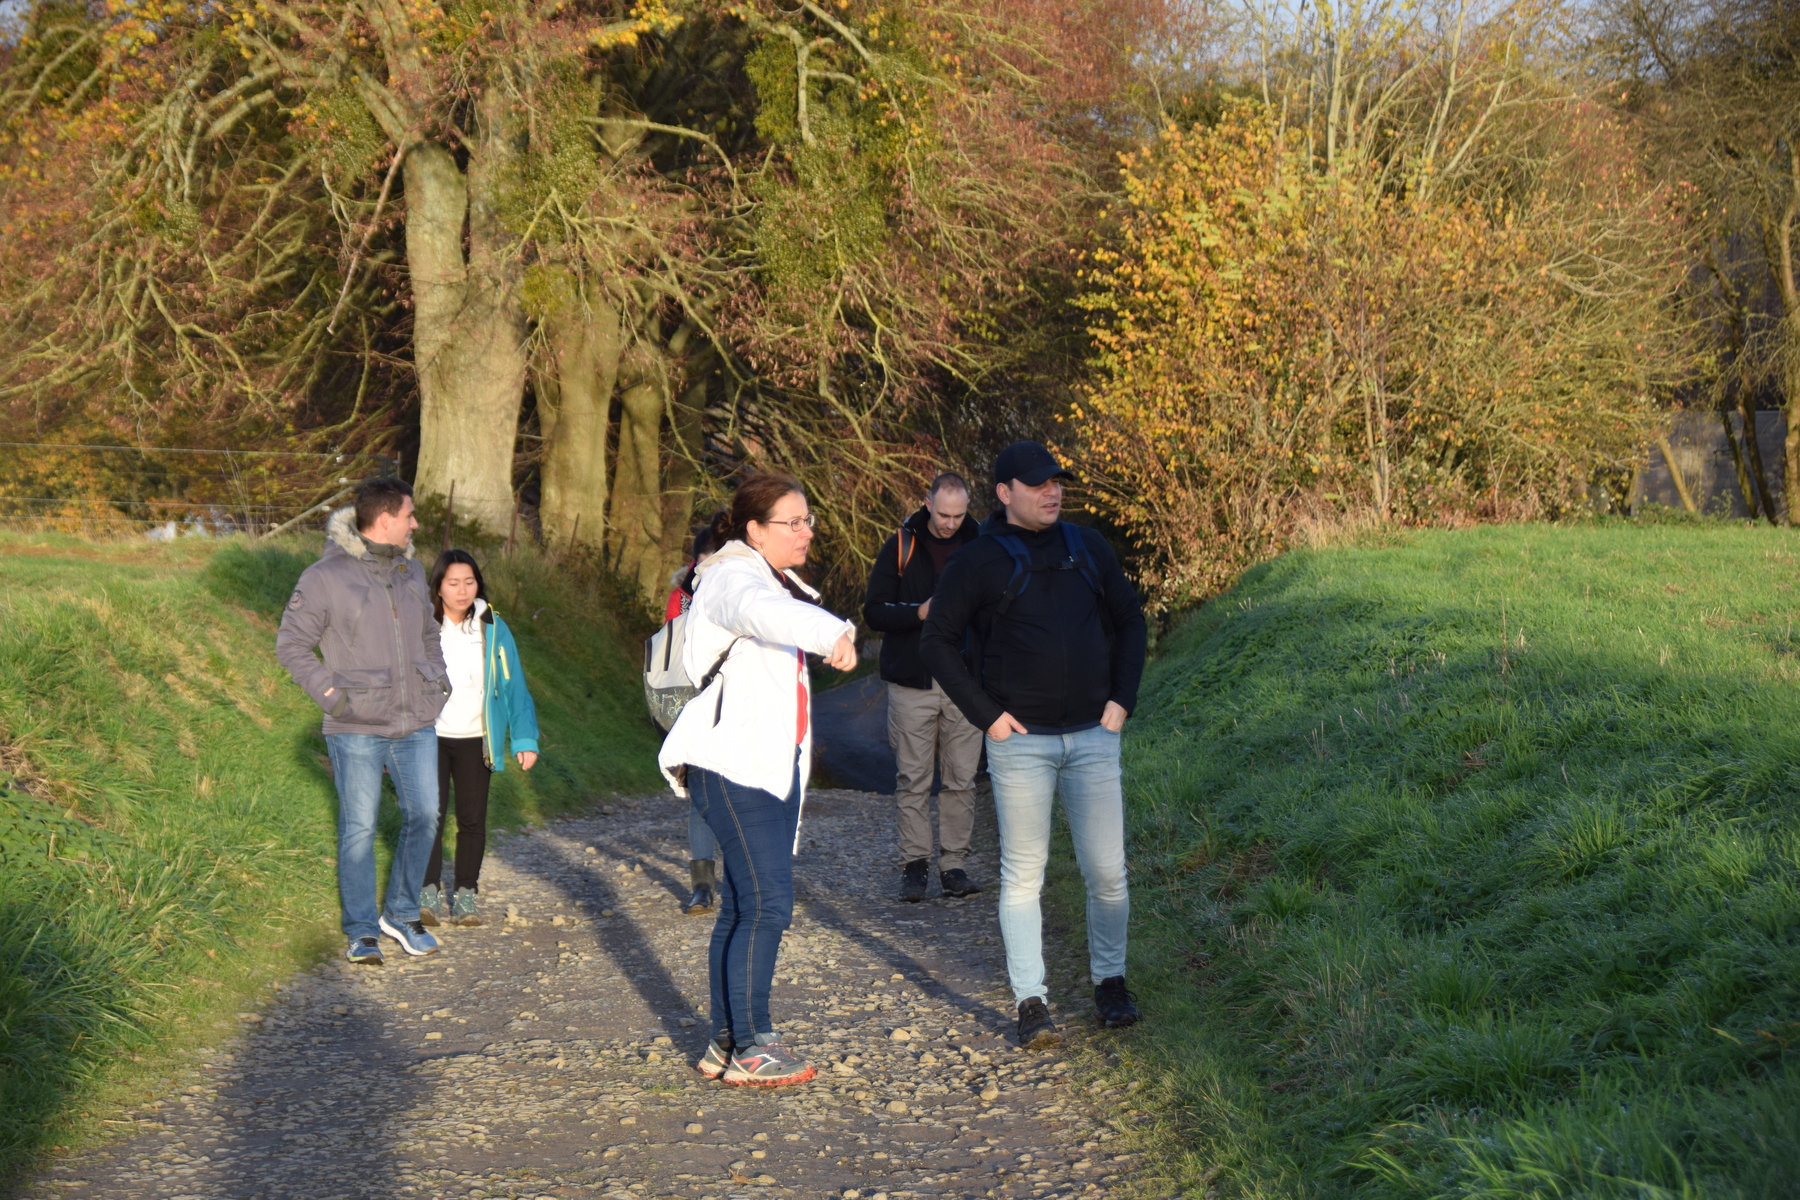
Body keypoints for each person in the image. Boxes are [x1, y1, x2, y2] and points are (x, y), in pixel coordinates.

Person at [919, 441, 1148, 1048]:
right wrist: (988, 717)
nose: (1053, 491)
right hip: (1020, 745)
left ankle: (1111, 984)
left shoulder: (1087, 546)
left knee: (1108, 873)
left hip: (1094, 737)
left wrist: (1122, 699)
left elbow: (1131, 620)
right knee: (1023, 876)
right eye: (1038, 483)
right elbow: (936, 641)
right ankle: (1031, 1002)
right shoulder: (978, 559)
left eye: (1057, 482)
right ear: (1004, 493)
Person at [658, 474, 858, 1087]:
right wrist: (831, 630)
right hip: (733, 767)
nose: (806, 532)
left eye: (808, 520)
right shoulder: (732, 577)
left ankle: (727, 1042)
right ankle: (752, 1046)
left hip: (761, 768)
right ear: (754, 529)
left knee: (744, 906)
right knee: (769, 904)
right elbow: (758, 612)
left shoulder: (766, 577)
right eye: (791, 522)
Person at [276, 477, 451, 965]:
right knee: (359, 827)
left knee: (426, 814)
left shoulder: (412, 571)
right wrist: (332, 697)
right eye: (410, 515)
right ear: (386, 518)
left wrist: (437, 681)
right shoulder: (323, 577)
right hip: (355, 724)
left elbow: (429, 633)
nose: (416, 524)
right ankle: (360, 930)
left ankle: (401, 913)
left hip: (415, 721)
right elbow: (291, 644)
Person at [862, 472, 984, 902]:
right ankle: (914, 867)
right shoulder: (901, 545)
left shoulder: (981, 544)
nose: (950, 523)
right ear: (927, 503)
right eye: (944, 514)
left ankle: (954, 866)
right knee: (913, 778)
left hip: (964, 681)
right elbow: (873, 612)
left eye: (959, 515)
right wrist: (919, 612)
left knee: (961, 779)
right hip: (912, 681)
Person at [419, 549, 540, 928]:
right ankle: (427, 892)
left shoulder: (492, 627)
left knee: (472, 820)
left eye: (469, 582)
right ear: (438, 587)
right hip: (429, 736)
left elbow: (514, 686)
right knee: (428, 816)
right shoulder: (422, 625)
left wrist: (524, 739)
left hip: (477, 737)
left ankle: (466, 895)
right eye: (453, 583)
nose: (462, 591)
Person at [664, 520, 725, 915]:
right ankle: (702, 886)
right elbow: (670, 656)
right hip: (694, 706)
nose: (707, 576)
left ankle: (743, 879)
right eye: (701, 567)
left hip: (739, 705)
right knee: (700, 796)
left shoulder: (747, 595)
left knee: (740, 794)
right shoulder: (681, 599)